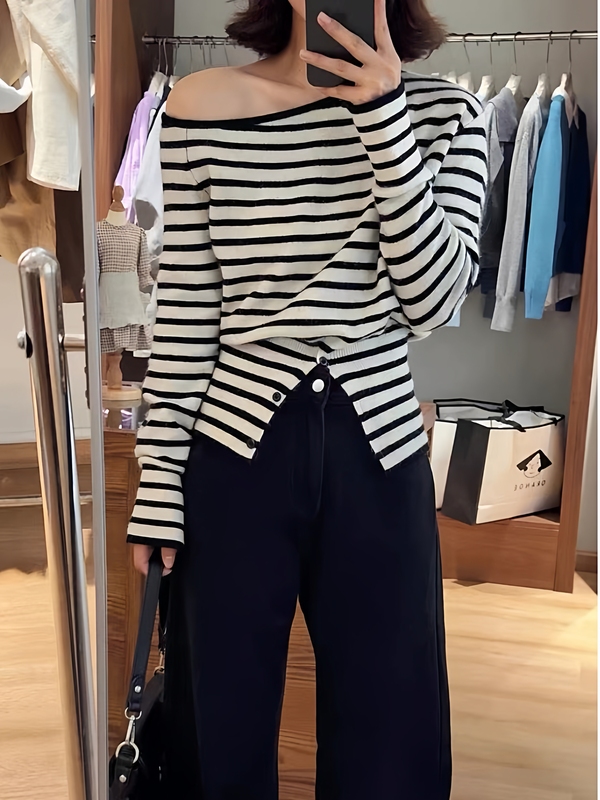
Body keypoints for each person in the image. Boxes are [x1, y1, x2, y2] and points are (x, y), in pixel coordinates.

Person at [127, 0, 487, 796]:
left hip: (379, 450)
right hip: (234, 447)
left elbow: (433, 303)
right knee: (217, 717)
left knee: (392, 726)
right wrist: (159, 484)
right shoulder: (198, 106)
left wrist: (385, 118)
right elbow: (187, 308)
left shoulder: (447, 117)